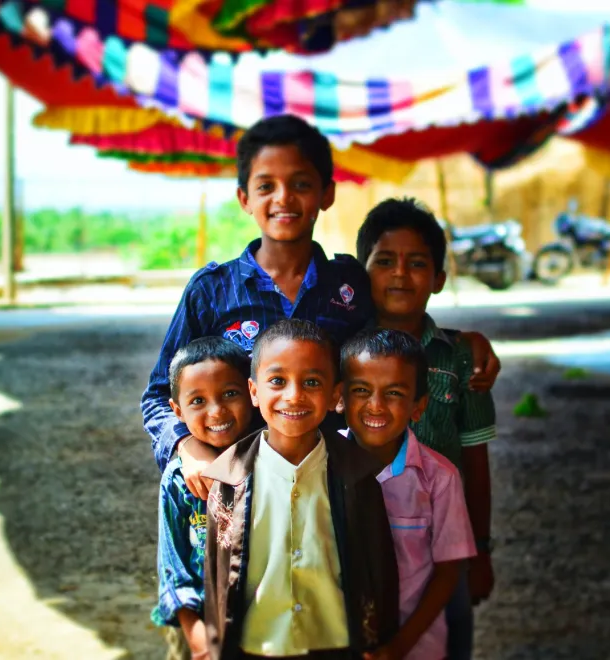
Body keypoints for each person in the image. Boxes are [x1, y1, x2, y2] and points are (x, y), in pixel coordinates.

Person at [141, 114, 501, 502]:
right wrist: (185, 447)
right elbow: (161, 394)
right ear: (244, 198)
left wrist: (463, 342)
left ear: (326, 194)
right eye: (266, 186)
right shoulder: (211, 292)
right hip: (239, 492)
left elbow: (397, 329)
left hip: (332, 493)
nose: (283, 198)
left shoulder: (348, 284)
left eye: (301, 184)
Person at [201, 319, 400, 659]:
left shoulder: (357, 477)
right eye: (277, 381)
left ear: (335, 394)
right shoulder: (228, 482)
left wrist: (381, 641)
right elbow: (215, 579)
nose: (294, 396)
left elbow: (380, 568)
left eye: (311, 382)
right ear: (254, 391)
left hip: (337, 643)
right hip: (256, 646)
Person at [356, 197, 498, 660]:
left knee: (447, 638)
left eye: (417, 263)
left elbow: (475, 460)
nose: (400, 274)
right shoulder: (344, 354)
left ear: (438, 278)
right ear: (362, 272)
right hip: (362, 540)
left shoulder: (461, 359)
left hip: (444, 549)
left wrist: (480, 550)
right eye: (385, 261)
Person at [153, 337, 256, 660]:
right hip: (196, 628)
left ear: (252, 393)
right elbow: (173, 566)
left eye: (230, 393)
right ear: (177, 411)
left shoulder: (269, 464)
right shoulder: (177, 482)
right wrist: (195, 636)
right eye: (198, 401)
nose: (217, 410)